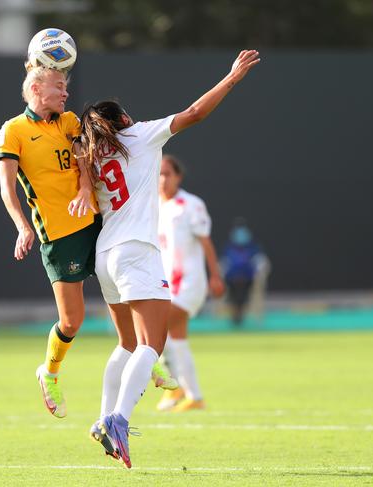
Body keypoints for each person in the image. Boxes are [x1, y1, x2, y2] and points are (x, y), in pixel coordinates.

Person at [80, 49, 260, 469]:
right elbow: (195, 112)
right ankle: (119, 420)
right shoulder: (140, 135)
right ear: (122, 119)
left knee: (126, 343)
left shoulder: (93, 154)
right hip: (136, 252)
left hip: (104, 254)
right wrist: (231, 78)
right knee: (151, 344)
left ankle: (102, 416)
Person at [0, 63, 99, 419]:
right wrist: (22, 227)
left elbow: (84, 158)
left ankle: (149, 358)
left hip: (95, 222)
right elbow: (7, 188)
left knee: (126, 290)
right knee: (72, 321)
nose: (66, 93)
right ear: (36, 89)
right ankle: (49, 373)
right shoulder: (13, 131)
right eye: (59, 86)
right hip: (58, 235)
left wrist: (86, 187)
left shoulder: (69, 121)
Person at [154, 155, 225, 413]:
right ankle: (191, 394)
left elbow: (206, 242)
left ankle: (176, 387)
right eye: (158, 174)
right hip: (164, 285)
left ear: (178, 177)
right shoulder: (152, 206)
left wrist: (215, 275)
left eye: (167, 174)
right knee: (176, 338)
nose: (162, 179)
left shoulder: (190, 205)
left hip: (189, 284)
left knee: (155, 328)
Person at [221, 219, 270, 325]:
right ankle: (235, 315)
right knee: (234, 296)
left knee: (245, 295)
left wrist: (259, 272)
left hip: (249, 279)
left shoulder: (253, 248)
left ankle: (244, 315)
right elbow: (224, 263)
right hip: (231, 280)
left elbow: (261, 262)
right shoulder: (229, 248)